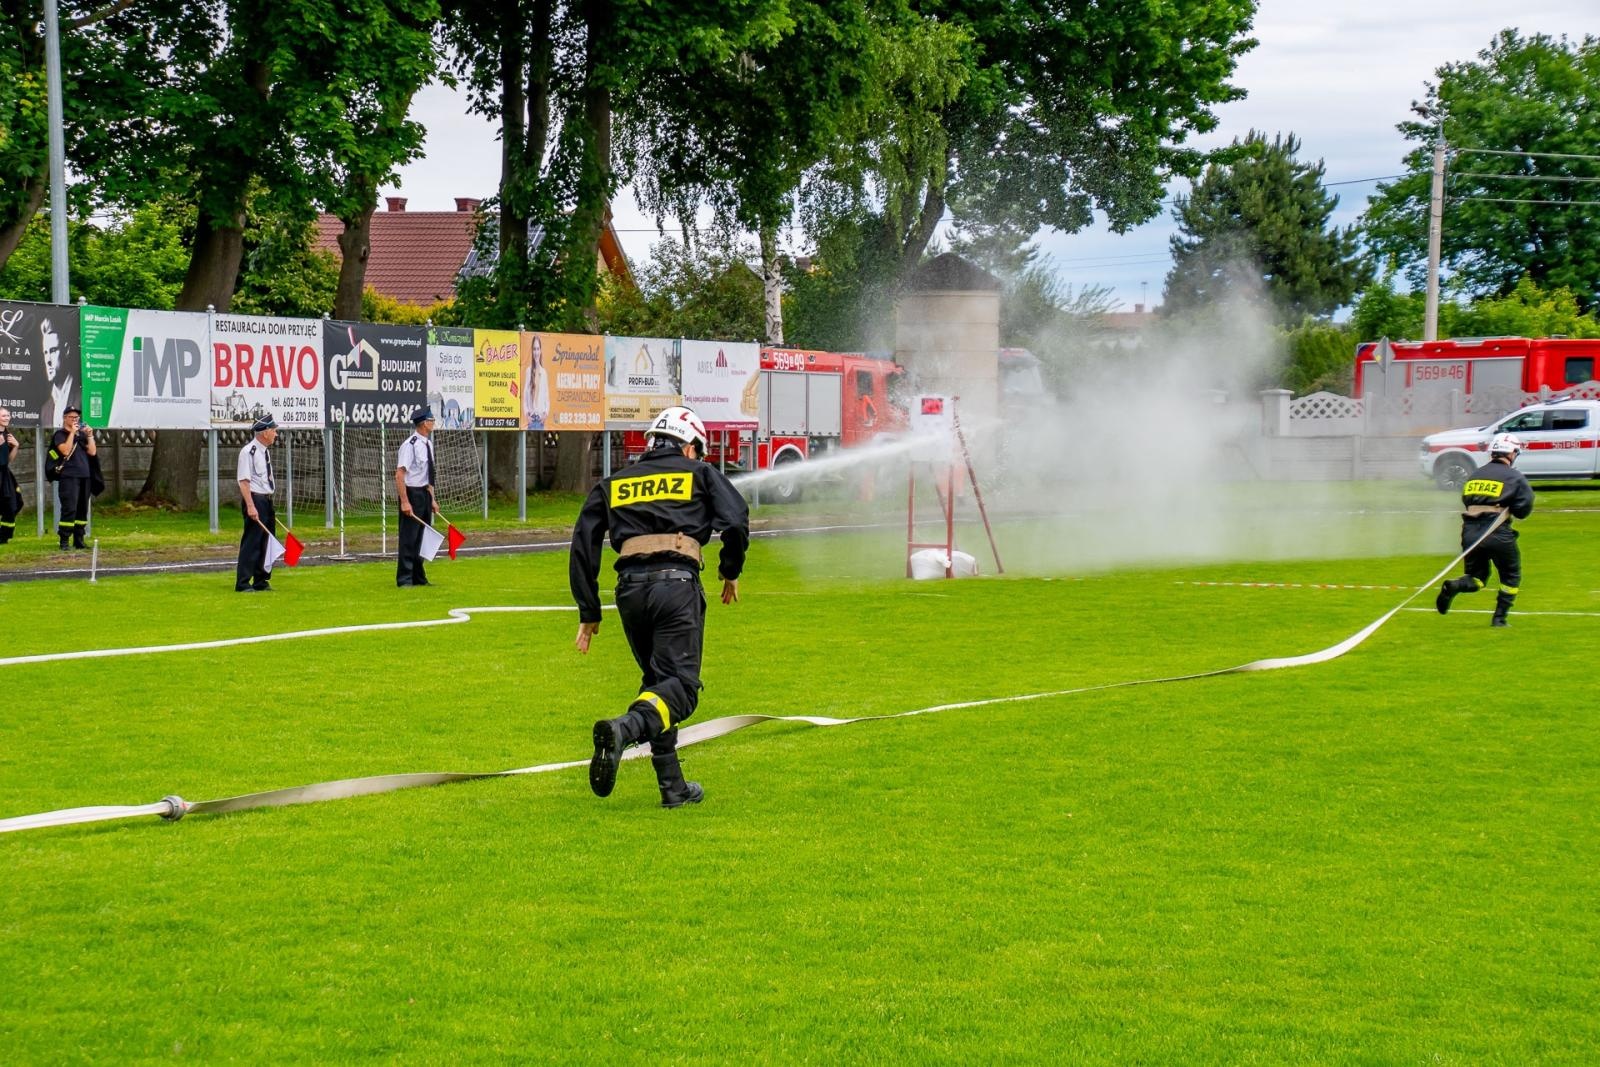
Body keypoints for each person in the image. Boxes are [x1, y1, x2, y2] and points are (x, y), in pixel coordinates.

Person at [570, 404, 749, 808]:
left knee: (658, 685)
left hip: (629, 592)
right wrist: (729, 570)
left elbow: (583, 540)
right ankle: (623, 729)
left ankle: (673, 787)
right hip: (676, 586)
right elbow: (736, 519)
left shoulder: (616, 481)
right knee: (681, 689)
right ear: (688, 446)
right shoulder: (699, 473)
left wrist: (589, 610)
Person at [1436, 433, 1534, 627]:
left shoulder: (1475, 475)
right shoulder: (1515, 477)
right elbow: (1523, 509)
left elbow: (1466, 500)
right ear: (1512, 453)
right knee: (1511, 576)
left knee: (1477, 578)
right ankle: (1499, 619)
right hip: (1498, 533)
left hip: (1470, 533)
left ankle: (1454, 586)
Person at [394, 406, 440, 587]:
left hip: (424, 493)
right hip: (412, 493)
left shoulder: (428, 444)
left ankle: (418, 577)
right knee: (409, 538)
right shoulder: (410, 445)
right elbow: (400, 475)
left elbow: (428, 475)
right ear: (423, 423)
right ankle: (405, 578)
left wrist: (432, 499)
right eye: (431, 420)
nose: (433, 423)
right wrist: (405, 501)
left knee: (422, 537)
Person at [235, 413, 279, 592]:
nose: (276, 434)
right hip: (255, 499)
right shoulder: (249, 452)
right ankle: (243, 582)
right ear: (265, 432)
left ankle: (261, 579)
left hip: (266, 499)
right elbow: (244, 481)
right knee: (252, 541)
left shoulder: (264, 452)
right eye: (274, 430)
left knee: (267, 541)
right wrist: (251, 505)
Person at [49, 406, 95, 550]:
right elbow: (65, 450)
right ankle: (64, 540)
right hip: (69, 476)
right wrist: (72, 433)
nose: (75, 420)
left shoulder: (82, 435)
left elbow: (92, 452)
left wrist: (90, 435)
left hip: (84, 475)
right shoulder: (60, 434)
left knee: (82, 509)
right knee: (69, 508)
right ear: (65, 418)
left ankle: (79, 539)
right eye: (72, 417)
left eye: (77, 417)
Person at [0, 409, 20, 544]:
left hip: (5, 473)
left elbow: (8, 460)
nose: (6, 418)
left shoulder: (7, 434)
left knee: (13, 503)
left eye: (8, 415)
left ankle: (4, 536)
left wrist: (16, 446)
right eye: (3, 416)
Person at [523, 335, 550, 430]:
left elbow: (546, 396)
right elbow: (525, 396)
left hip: (540, 420)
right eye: (534, 349)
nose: (536, 352)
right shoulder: (528, 371)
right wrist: (527, 414)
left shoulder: (544, 372)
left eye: (538, 349)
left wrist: (546, 413)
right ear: (532, 351)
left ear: (540, 351)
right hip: (531, 420)